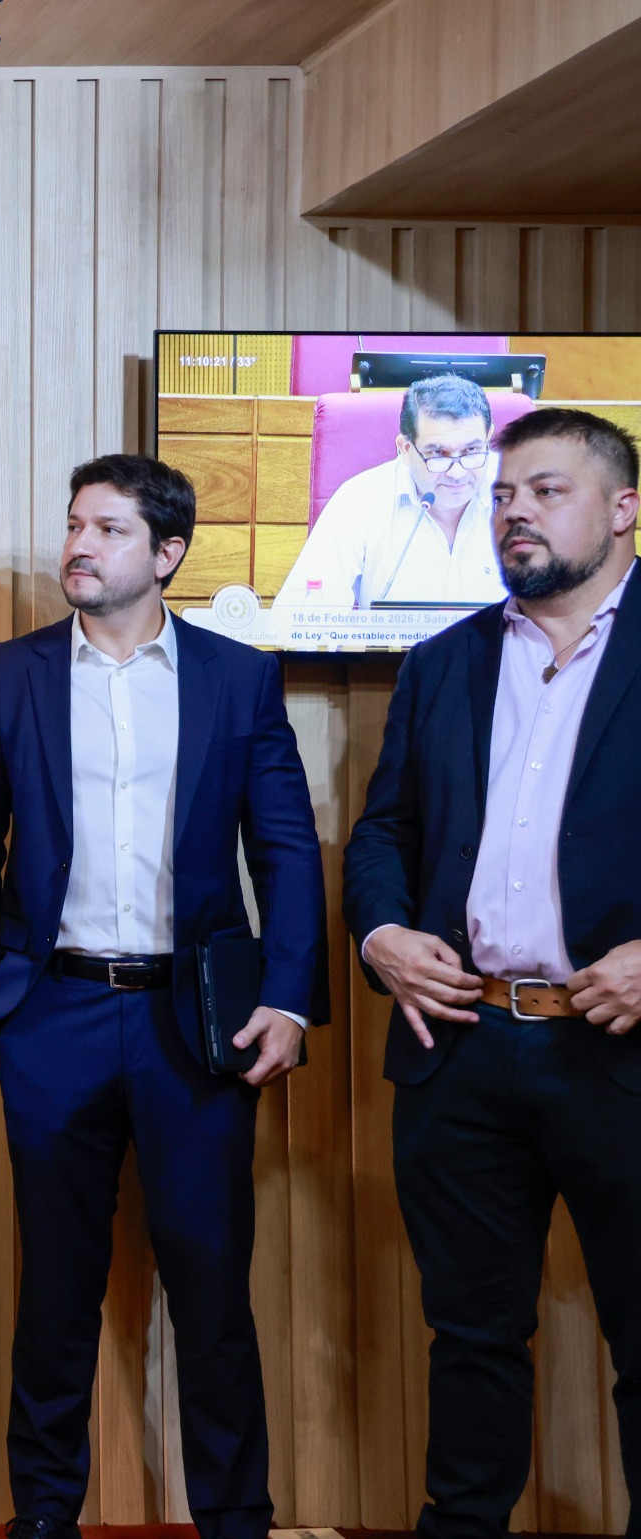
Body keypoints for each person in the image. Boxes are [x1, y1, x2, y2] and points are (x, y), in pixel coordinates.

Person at [0, 454, 326, 1539]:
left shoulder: (236, 678)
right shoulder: (10, 674)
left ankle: (234, 1519)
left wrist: (288, 999)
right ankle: (42, 1518)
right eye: (74, 524)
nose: (78, 545)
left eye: (107, 529)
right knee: (55, 1292)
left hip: (198, 1024)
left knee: (211, 1290)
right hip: (50, 1015)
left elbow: (285, 848)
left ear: (167, 553)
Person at [344, 407, 641, 1539]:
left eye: (546, 491)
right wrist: (381, 934)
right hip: (463, 1050)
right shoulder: (446, 662)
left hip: (622, 1053)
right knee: (470, 1339)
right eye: (506, 495)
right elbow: (385, 832)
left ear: (622, 509)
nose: (514, 511)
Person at [273, 373, 503, 610]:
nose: (457, 473)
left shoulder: (521, 495)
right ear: (405, 449)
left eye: (471, 451)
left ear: (488, 438)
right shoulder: (361, 499)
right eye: (437, 454)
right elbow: (293, 616)